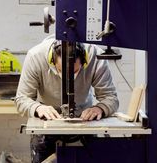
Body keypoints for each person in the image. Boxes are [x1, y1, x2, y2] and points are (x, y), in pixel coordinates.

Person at [14, 35, 119, 163]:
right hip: (47, 123)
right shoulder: (36, 56)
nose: (68, 78)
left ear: (84, 61)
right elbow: (21, 99)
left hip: (84, 121)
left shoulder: (96, 56)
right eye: (60, 70)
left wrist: (100, 108)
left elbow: (111, 97)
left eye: (75, 71)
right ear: (52, 60)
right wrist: (37, 108)